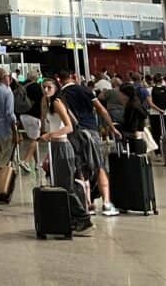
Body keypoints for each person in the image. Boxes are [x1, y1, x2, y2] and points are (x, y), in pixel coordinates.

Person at [58, 69, 121, 217]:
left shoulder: (60, 95)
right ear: (73, 77)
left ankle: (87, 204)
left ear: (59, 80)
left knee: (80, 167)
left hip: (74, 133)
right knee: (99, 165)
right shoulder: (85, 90)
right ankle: (106, 203)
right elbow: (101, 110)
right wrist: (111, 127)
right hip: (91, 131)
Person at [39, 79, 93, 234]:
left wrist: (50, 134)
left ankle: (83, 217)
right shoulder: (50, 103)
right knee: (60, 184)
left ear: (56, 88)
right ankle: (73, 218)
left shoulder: (57, 103)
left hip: (63, 146)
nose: (46, 90)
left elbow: (69, 127)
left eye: (49, 87)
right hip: (56, 146)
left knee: (65, 186)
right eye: (44, 87)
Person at [118, 83, 149, 155]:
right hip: (138, 133)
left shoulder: (131, 106)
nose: (120, 96)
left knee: (133, 154)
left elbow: (132, 122)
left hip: (132, 134)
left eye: (121, 94)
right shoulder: (136, 103)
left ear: (126, 94)